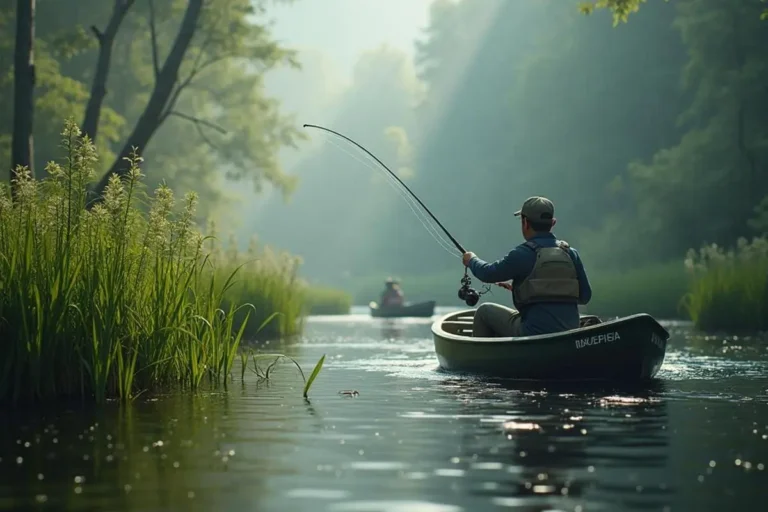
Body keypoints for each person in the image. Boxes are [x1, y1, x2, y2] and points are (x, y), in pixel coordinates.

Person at [461, 196, 592, 337]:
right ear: (553, 223)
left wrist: (472, 259)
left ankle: (485, 358)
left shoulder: (522, 254)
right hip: (569, 332)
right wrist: (526, 289)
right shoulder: (571, 254)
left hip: (532, 333)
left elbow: (488, 274)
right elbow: (585, 296)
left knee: (484, 312)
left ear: (525, 223)